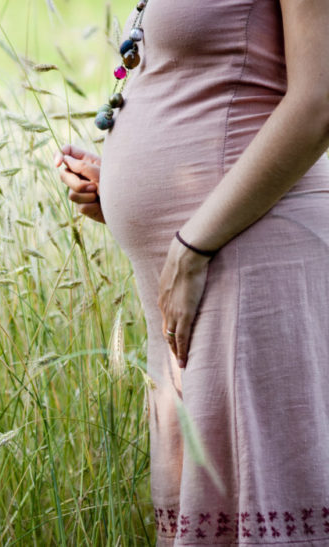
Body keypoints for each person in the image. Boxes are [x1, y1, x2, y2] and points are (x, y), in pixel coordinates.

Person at [54, 1, 329, 545]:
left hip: (248, 254)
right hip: (197, 260)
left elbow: (319, 101)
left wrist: (193, 242)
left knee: (264, 496)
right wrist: (118, 188)